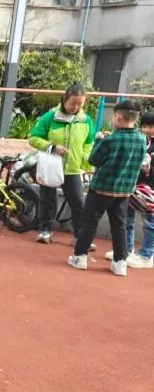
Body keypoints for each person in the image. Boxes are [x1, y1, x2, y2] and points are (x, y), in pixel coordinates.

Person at [69, 100, 148, 276]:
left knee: (90, 222)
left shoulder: (110, 140)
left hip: (101, 188)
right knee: (119, 225)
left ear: (118, 118)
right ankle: (120, 262)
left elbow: (93, 160)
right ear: (135, 119)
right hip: (124, 191)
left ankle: (80, 257)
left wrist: (98, 140)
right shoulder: (142, 140)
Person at [28, 83, 96, 245]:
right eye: (73, 103)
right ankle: (45, 230)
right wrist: (52, 147)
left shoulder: (86, 120)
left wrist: (84, 157)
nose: (76, 107)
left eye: (80, 104)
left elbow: (89, 142)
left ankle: (80, 236)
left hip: (72, 168)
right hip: (51, 166)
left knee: (78, 202)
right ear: (65, 100)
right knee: (47, 199)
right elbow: (33, 138)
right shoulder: (50, 117)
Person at [106, 110, 154, 268]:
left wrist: (149, 168)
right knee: (127, 218)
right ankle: (125, 249)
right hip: (133, 186)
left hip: (150, 190)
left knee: (150, 222)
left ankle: (146, 255)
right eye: (145, 126)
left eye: (151, 127)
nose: (147, 130)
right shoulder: (142, 141)